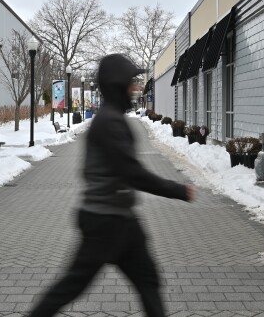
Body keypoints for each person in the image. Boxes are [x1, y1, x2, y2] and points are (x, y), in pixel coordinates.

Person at [27, 53, 195, 317]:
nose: (136, 88)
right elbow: (131, 172)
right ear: (117, 85)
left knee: (148, 281)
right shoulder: (109, 122)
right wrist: (177, 189)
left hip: (118, 219)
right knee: (71, 286)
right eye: (131, 83)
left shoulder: (111, 119)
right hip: (106, 221)